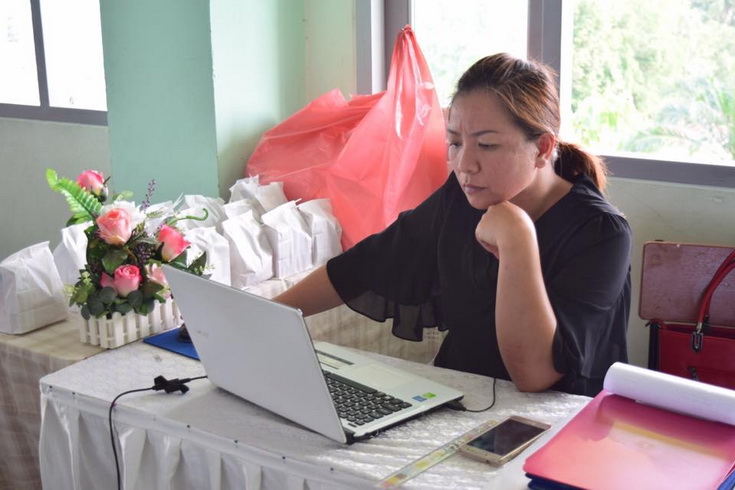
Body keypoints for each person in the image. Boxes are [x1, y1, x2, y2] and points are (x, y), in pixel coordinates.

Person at [274, 53, 632, 397]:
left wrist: (517, 239)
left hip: (558, 422)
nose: (464, 164)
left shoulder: (602, 233)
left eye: (487, 145)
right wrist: (269, 316)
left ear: (541, 148)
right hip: (462, 399)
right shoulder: (463, 197)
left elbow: (534, 375)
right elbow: (366, 264)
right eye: (455, 143)